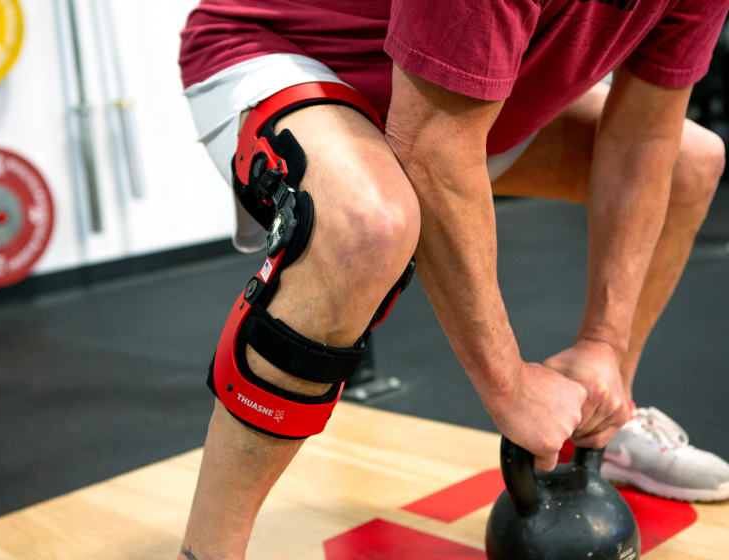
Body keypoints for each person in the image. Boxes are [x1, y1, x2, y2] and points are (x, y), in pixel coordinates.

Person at [177, 0, 729, 557]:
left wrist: (603, 345)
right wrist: (509, 386)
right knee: (366, 226)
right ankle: (208, 549)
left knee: (691, 161)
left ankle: (603, 425)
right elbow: (432, 147)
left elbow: (644, 137)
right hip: (295, 51)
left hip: (457, 97)